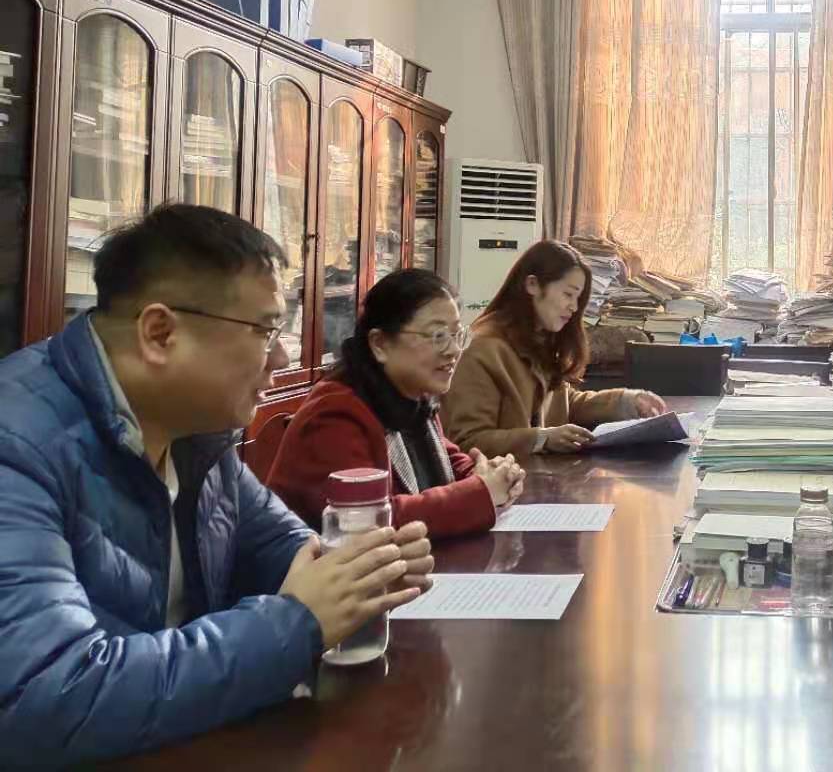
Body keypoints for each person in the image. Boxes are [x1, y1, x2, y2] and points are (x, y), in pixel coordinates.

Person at [0, 204, 435, 766]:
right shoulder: (18, 442)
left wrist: (362, 569)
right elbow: (44, 698)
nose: (282, 356)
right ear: (160, 334)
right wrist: (299, 623)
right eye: (265, 331)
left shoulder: (197, 432)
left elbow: (284, 550)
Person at [268, 269, 525, 537]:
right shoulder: (335, 414)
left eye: (456, 335)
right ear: (380, 344)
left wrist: (494, 475)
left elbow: (450, 462)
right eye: (438, 336)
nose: (453, 350)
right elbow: (369, 520)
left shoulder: (413, 396)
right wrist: (482, 492)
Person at [442, 240, 667, 457]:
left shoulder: (540, 339)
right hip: (505, 480)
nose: (574, 307)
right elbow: (467, 441)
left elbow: (564, 405)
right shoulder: (482, 348)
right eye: (568, 294)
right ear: (532, 285)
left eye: (578, 298)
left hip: (539, 475)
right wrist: (542, 438)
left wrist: (627, 401)